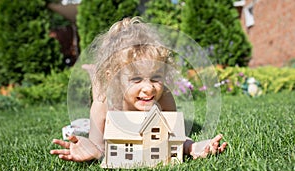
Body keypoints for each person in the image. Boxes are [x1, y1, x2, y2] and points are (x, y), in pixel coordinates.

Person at [50, 17, 227, 162]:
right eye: (136, 79)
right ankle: (95, 73)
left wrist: (193, 147)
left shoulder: (164, 96)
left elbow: (173, 138)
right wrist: (93, 150)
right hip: (109, 96)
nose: (149, 88)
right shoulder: (103, 106)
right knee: (100, 93)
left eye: (156, 77)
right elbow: (99, 146)